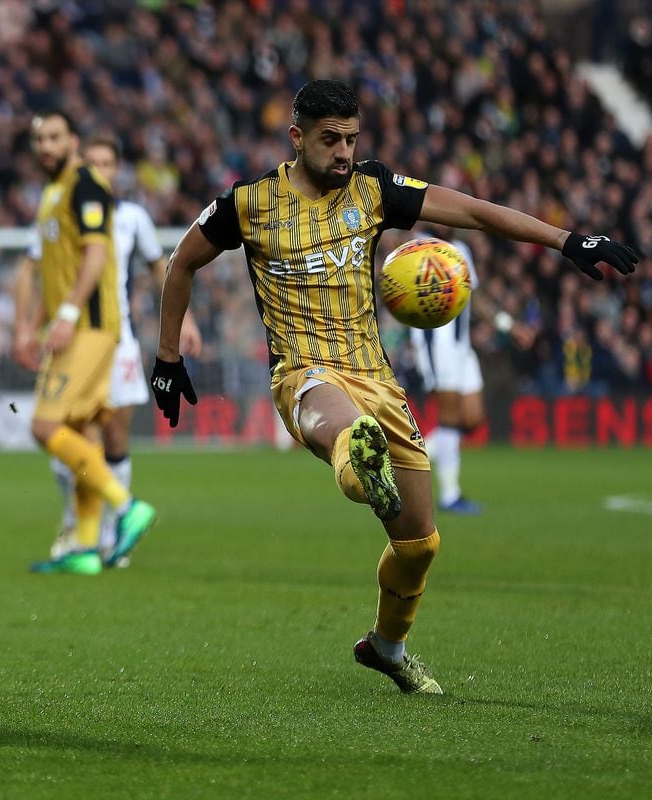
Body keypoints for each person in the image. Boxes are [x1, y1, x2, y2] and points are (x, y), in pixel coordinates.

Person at [150, 80, 637, 694]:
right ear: (297, 138)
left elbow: (475, 211)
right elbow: (181, 262)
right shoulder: (248, 205)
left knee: (420, 545)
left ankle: (387, 646)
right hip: (304, 372)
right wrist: (168, 355)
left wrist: (567, 239)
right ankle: (357, 458)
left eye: (353, 138)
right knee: (349, 438)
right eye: (331, 140)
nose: (345, 152)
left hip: (376, 377)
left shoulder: (374, 189)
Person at [35, 135, 202, 564]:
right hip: (85, 334)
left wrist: (186, 320)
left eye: (108, 163)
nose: (100, 172)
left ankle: (110, 531)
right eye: (93, 163)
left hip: (115, 340)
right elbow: (39, 268)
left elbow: (162, 269)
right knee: (75, 432)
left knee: (107, 432)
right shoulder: (69, 208)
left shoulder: (131, 217)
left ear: (118, 169)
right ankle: (85, 530)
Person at [11, 110, 156, 575]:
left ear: (72, 139)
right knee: (84, 432)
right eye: (38, 139)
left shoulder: (86, 184)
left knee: (43, 426)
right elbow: (50, 274)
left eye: (54, 137)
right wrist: (34, 326)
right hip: (74, 326)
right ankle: (86, 548)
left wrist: (69, 314)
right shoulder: (52, 194)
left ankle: (127, 504)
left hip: (92, 327)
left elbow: (96, 255)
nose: (45, 146)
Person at [408, 228, 485, 515]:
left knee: (473, 418)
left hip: (462, 346)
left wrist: (506, 323)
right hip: (436, 343)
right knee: (450, 418)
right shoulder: (418, 249)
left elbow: (474, 293)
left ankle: (406, 459)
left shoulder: (461, 248)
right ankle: (450, 495)